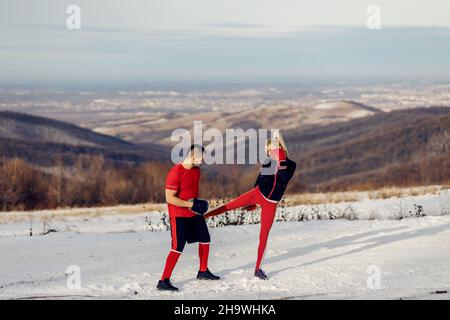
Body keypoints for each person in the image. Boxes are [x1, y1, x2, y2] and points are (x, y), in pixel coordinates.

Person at [205, 133, 296, 280]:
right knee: (229, 206)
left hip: (271, 203)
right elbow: (261, 181)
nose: (269, 152)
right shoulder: (268, 162)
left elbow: (283, 177)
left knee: (263, 236)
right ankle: (202, 217)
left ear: (279, 147)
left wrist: (279, 158)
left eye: (271, 149)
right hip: (258, 193)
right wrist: (253, 202)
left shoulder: (290, 164)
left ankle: (258, 269)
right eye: (267, 150)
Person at [157, 144, 220, 292]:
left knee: (205, 238)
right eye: (201, 158)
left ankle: (203, 271)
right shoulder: (175, 172)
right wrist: (189, 204)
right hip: (178, 215)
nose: (203, 160)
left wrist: (196, 204)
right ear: (193, 156)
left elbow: (191, 192)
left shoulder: (196, 170)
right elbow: (169, 198)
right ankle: (163, 280)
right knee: (177, 247)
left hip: (194, 213)